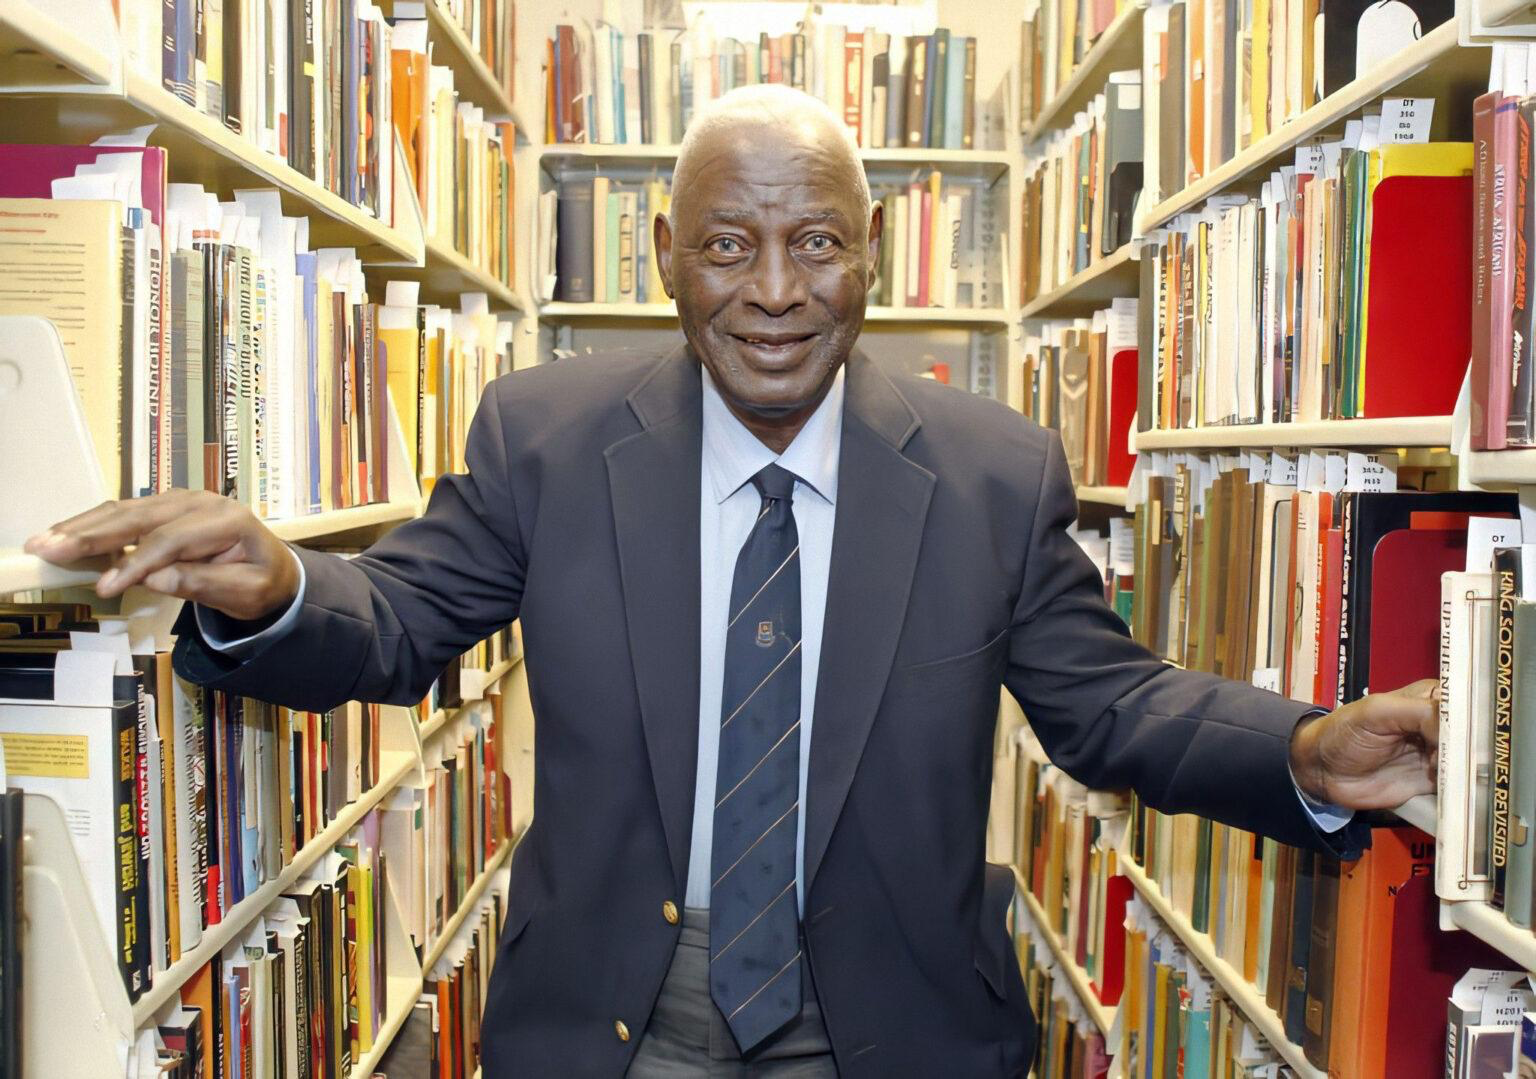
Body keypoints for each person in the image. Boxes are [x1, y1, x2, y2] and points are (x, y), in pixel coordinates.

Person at [27, 86, 1437, 1077]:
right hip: (615, 1012)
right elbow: (396, 625)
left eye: (816, 240)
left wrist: (1308, 746)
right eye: (728, 243)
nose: (774, 289)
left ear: (868, 257)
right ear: (665, 259)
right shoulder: (546, 439)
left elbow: (1109, 705)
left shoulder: (993, 470)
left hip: (893, 1014)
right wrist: (274, 585)